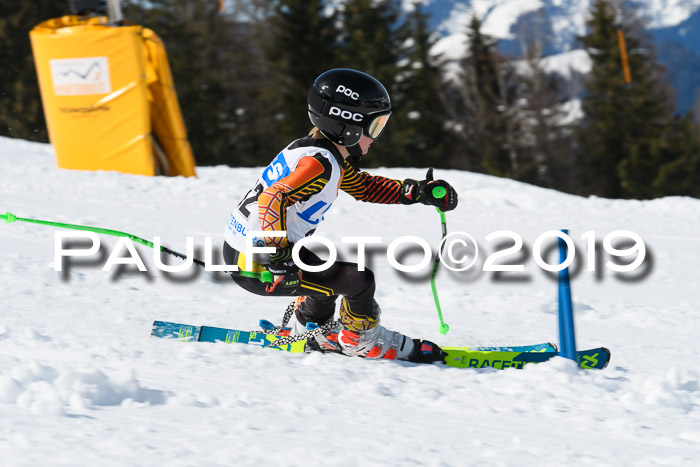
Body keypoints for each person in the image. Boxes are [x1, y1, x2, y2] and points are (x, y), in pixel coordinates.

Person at [223, 68, 458, 363]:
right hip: (261, 265)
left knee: (326, 278)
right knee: (358, 281)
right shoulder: (319, 165)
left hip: (243, 252)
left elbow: (364, 187)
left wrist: (416, 192)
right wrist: (277, 256)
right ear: (348, 126)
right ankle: (360, 341)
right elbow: (273, 198)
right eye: (375, 127)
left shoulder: (319, 153)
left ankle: (309, 328)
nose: (376, 137)